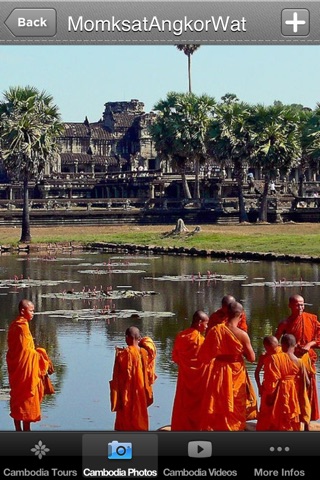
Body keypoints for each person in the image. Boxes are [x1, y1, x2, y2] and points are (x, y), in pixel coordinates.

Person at [199, 301, 257, 431]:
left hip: (219, 369)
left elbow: (204, 356)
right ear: (241, 315)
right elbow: (252, 358)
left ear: (226, 313)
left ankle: (218, 428)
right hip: (236, 370)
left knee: (220, 401)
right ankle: (234, 429)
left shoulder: (215, 330)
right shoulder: (242, 335)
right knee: (236, 400)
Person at [6, 299, 53, 431]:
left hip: (17, 368)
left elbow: (14, 350)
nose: (33, 313)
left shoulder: (14, 325)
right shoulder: (22, 327)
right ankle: (26, 431)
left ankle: (18, 430)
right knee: (26, 396)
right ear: (23, 311)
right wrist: (42, 355)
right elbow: (26, 352)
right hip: (24, 370)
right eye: (31, 310)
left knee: (17, 397)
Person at [274, 294, 320, 421]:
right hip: (291, 362)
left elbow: (318, 338)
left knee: (308, 388)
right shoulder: (285, 323)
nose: (300, 307)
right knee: (292, 389)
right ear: (290, 306)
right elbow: (275, 342)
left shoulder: (311, 319)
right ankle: (292, 417)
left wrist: (309, 345)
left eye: (302, 304)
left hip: (307, 358)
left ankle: (306, 420)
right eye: (297, 304)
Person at [256, 334, 311, 431]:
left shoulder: (274, 358)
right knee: (290, 419)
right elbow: (307, 382)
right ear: (294, 346)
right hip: (293, 395)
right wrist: (298, 393)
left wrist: (269, 395)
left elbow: (271, 382)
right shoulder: (299, 361)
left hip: (276, 393)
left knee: (270, 420)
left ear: (282, 345)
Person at [109, 326, 157, 431]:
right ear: (138, 338)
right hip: (140, 393)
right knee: (140, 415)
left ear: (127, 338)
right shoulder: (145, 353)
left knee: (125, 420)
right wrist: (141, 341)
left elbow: (117, 377)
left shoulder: (123, 354)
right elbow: (150, 346)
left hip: (126, 395)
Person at [171, 310, 209, 430]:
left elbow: (175, 358)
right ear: (199, 323)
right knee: (199, 406)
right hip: (200, 382)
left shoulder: (181, 337)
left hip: (185, 379)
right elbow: (208, 361)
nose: (207, 327)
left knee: (184, 405)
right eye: (206, 323)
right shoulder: (202, 341)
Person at [254, 335, 281, 430]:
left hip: (281, 388)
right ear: (266, 347)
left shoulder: (283, 354)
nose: (276, 350)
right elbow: (257, 372)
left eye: (277, 347)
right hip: (268, 387)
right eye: (273, 348)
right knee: (265, 413)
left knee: (279, 412)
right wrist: (259, 387)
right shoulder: (264, 357)